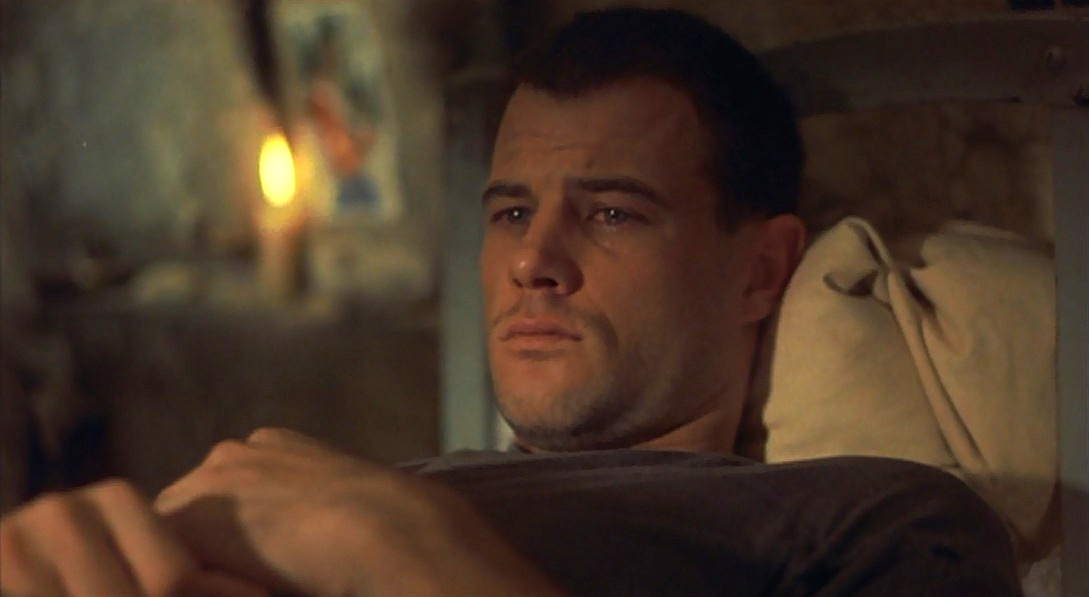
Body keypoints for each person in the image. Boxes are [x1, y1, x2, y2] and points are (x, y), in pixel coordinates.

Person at [0, 8, 1022, 597]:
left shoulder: (873, 519)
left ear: (759, 271)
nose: (534, 260)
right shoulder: (382, 482)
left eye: (612, 214)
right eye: (511, 213)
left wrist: (395, 547)